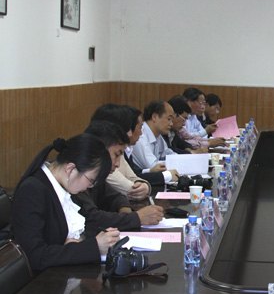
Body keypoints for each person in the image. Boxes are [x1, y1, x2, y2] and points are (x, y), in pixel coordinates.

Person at [10, 134, 121, 272]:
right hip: (42, 281)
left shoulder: (65, 186)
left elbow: (86, 223)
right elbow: (35, 257)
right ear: (70, 169)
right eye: (91, 181)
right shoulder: (32, 191)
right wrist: (93, 246)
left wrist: (90, 239)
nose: (89, 187)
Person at [77, 120, 164, 228]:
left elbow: (115, 197)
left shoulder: (97, 178)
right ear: (99, 150)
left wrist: (125, 211)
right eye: (116, 155)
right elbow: (91, 218)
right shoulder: (77, 178)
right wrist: (137, 218)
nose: (118, 164)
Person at [91, 104, 152, 201]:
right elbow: (130, 190)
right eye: (127, 129)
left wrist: (146, 186)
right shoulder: (99, 159)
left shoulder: (118, 151)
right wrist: (143, 189)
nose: (130, 134)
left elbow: (134, 178)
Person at [131, 100, 179, 184]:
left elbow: (169, 153)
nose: (171, 124)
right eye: (169, 119)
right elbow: (154, 167)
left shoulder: (158, 136)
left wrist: (183, 160)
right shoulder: (140, 136)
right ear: (154, 117)